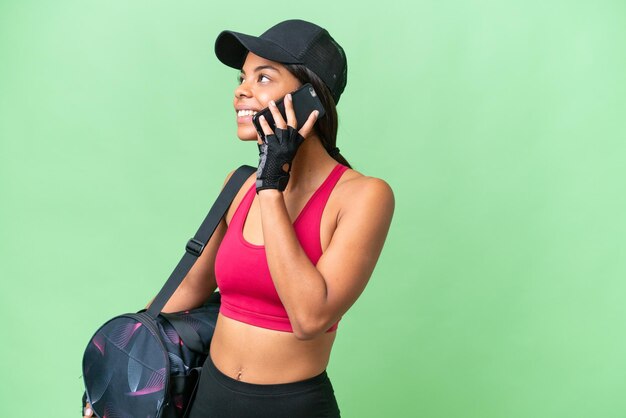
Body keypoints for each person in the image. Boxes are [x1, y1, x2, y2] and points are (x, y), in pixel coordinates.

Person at [83, 18, 394, 418]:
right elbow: (187, 290)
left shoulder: (364, 196)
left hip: (291, 407)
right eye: (242, 77)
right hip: (208, 399)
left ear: (311, 98)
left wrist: (271, 186)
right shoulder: (237, 185)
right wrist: (116, 373)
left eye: (263, 78)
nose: (240, 91)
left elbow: (310, 317)